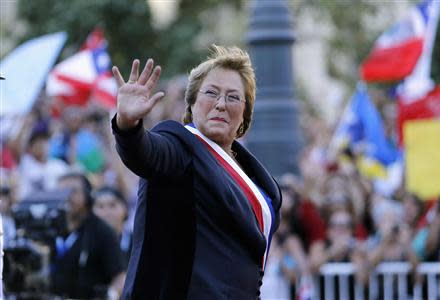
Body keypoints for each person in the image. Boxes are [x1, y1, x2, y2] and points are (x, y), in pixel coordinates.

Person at [111, 45, 282, 299]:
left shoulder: (252, 172)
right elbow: (145, 154)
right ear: (192, 102)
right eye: (211, 93)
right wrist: (127, 126)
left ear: (245, 113)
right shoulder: (179, 146)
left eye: (233, 97)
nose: (221, 104)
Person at [51, 172, 126, 299]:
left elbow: (120, 276)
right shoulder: (49, 227)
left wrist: (110, 295)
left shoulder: (102, 231)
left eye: (73, 191)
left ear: (87, 195)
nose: (66, 197)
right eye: (61, 191)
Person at [93, 185, 132, 262]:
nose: (107, 212)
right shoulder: (86, 243)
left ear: (125, 208)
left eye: (112, 205)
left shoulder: (138, 242)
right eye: (100, 206)